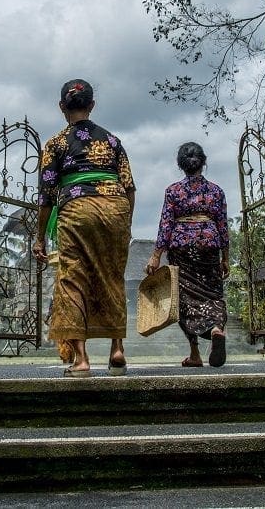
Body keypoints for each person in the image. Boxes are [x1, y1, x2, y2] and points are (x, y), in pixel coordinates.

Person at [32, 79, 136, 377]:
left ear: (62, 107)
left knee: (72, 279)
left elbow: (47, 196)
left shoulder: (55, 144)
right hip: (115, 207)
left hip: (77, 211)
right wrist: (125, 224)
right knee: (112, 276)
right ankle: (117, 350)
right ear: (91, 105)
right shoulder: (113, 141)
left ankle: (81, 359)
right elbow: (129, 187)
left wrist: (40, 238)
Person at [145, 142, 231, 368]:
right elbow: (222, 226)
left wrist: (156, 255)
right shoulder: (216, 191)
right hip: (209, 245)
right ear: (203, 162)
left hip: (181, 246)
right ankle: (215, 328)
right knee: (212, 293)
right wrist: (225, 257)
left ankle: (195, 353)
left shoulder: (173, 191)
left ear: (181, 165)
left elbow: (166, 225)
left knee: (184, 298)